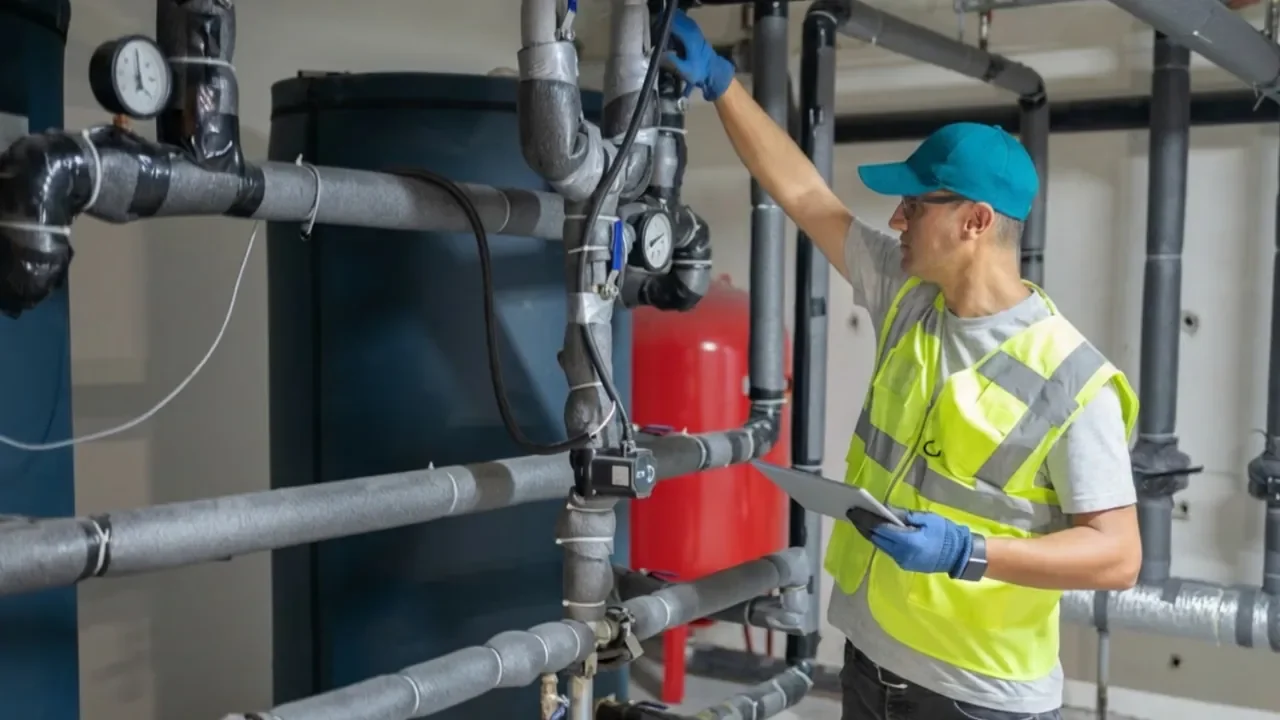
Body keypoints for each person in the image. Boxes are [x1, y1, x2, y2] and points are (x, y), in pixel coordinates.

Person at [662, 10, 1143, 720]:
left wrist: (964, 551)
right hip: (869, 660)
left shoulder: (1071, 378)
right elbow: (803, 195)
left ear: (975, 222)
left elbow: (1117, 557)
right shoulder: (912, 296)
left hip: (977, 697)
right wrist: (722, 82)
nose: (896, 221)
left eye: (915, 205)